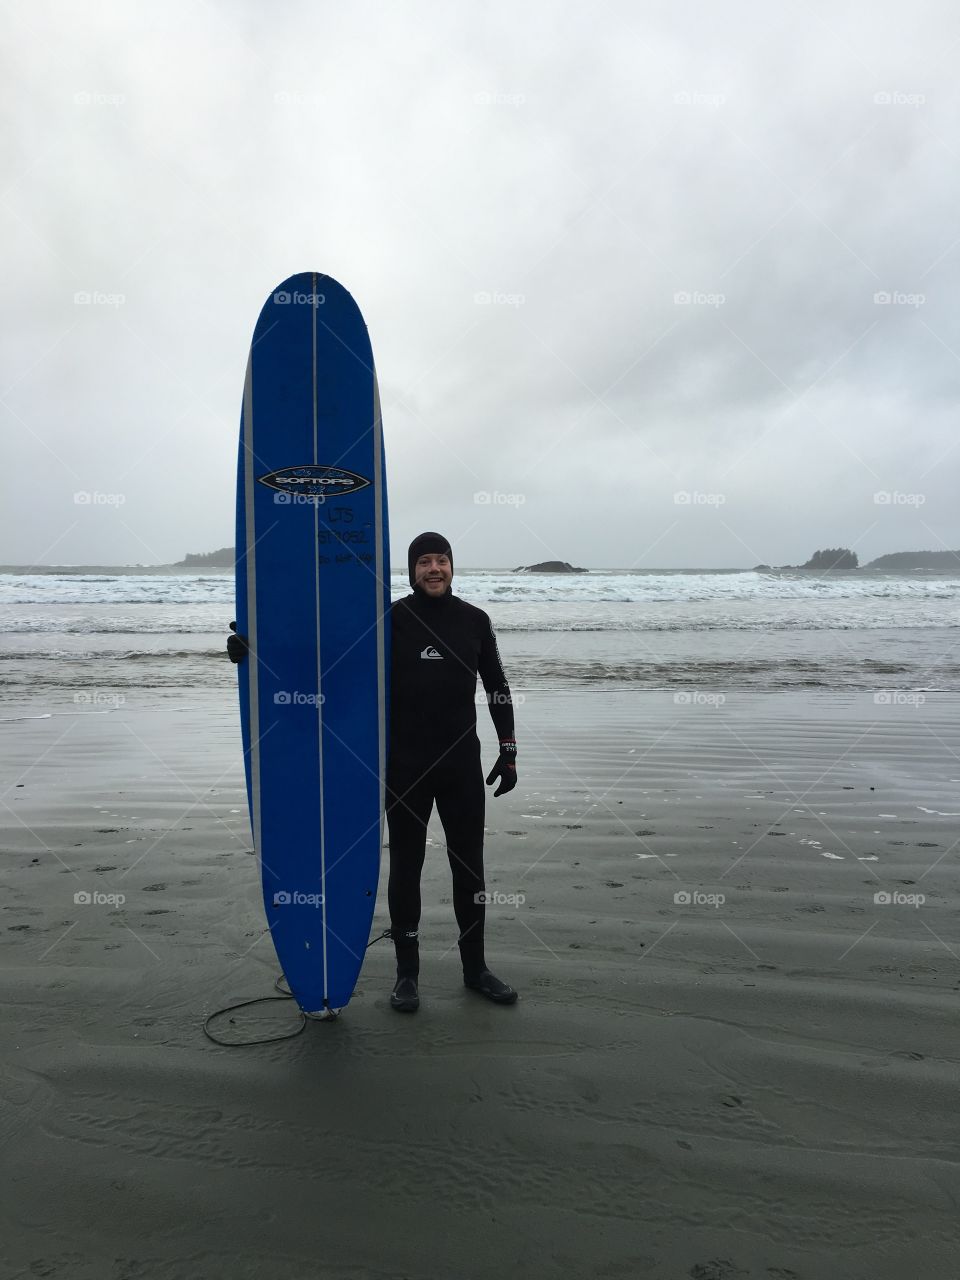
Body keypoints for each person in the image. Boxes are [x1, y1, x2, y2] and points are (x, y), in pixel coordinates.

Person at [226, 530, 519, 1015]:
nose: (434, 569)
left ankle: (476, 970)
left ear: (452, 567)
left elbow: (498, 685)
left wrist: (508, 750)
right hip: (404, 768)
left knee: (470, 868)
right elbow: (326, 659)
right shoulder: (389, 620)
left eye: (441, 561)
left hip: (460, 765)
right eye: (424, 562)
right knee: (406, 865)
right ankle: (407, 974)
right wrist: (255, 647)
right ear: (411, 570)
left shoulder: (475, 621)